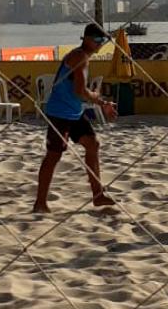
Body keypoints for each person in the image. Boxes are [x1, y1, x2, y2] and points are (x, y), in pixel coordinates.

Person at [34, 23, 118, 213]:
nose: (100, 44)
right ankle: (40, 203)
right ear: (86, 39)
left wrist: (100, 101)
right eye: (97, 40)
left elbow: (79, 93)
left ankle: (98, 196)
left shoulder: (83, 56)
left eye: (102, 41)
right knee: (53, 156)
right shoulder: (79, 56)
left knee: (93, 144)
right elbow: (80, 91)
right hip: (59, 114)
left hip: (74, 113)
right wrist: (100, 101)